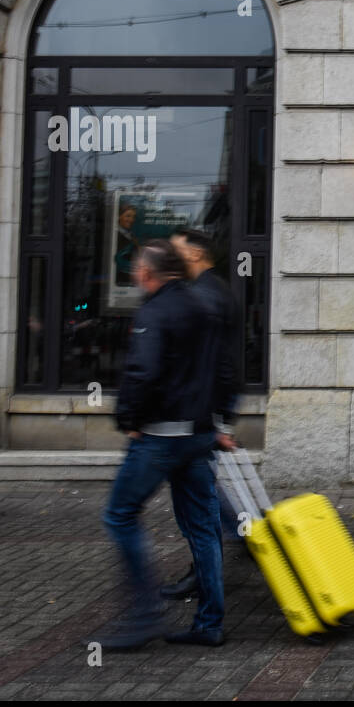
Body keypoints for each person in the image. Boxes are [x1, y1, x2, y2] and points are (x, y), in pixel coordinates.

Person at [95, 240, 228, 649]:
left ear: (148, 273)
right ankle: (209, 624)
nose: (135, 274)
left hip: (160, 437)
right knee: (205, 530)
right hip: (198, 435)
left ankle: (144, 617)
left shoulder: (153, 312)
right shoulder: (203, 307)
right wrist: (217, 422)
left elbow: (143, 372)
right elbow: (221, 369)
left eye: (137, 268)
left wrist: (129, 418)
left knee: (120, 515)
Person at [159, 228, 242, 601]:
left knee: (195, 496)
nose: (170, 260)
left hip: (198, 416)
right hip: (204, 413)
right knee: (200, 489)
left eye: (175, 252)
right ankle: (234, 537)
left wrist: (215, 417)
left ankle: (209, 567)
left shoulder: (204, 296)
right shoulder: (213, 290)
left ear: (194, 255)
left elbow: (213, 362)